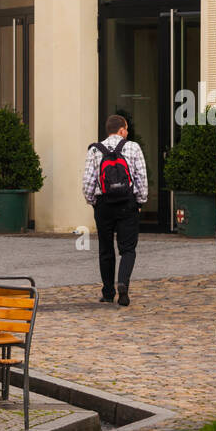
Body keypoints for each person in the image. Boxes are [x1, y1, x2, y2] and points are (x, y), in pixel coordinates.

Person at [83, 114, 148, 307]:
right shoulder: (133, 147)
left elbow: (88, 182)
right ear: (121, 130)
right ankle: (123, 284)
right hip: (127, 203)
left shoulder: (95, 149)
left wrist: (94, 202)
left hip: (104, 204)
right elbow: (141, 178)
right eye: (126, 129)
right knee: (128, 249)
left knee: (105, 249)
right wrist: (140, 202)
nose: (127, 132)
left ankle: (108, 293)